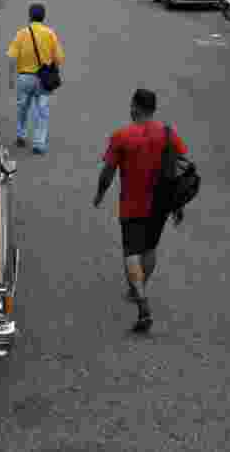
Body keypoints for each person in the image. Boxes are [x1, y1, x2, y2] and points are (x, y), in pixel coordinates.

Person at [93, 89, 190, 334]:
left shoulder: (122, 136)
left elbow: (108, 171)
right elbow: (180, 168)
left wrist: (100, 193)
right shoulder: (169, 134)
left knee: (131, 252)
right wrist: (178, 205)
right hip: (161, 205)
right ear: (154, 109)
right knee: (150, 249)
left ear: (135, 107)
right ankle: (140, 287)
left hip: (132, 204)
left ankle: (142, 302)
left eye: (131, 105)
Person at [7, 2, 65, 155]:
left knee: (22, 108)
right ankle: (39, 144)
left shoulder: (21, 34)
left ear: (29, 16)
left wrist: (11, 78)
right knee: (42, 112)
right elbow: (59, 58)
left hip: (24, 77)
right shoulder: (50, 34)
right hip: (42, 79)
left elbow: (12, 57)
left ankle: (21, 134)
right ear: (43, 17)